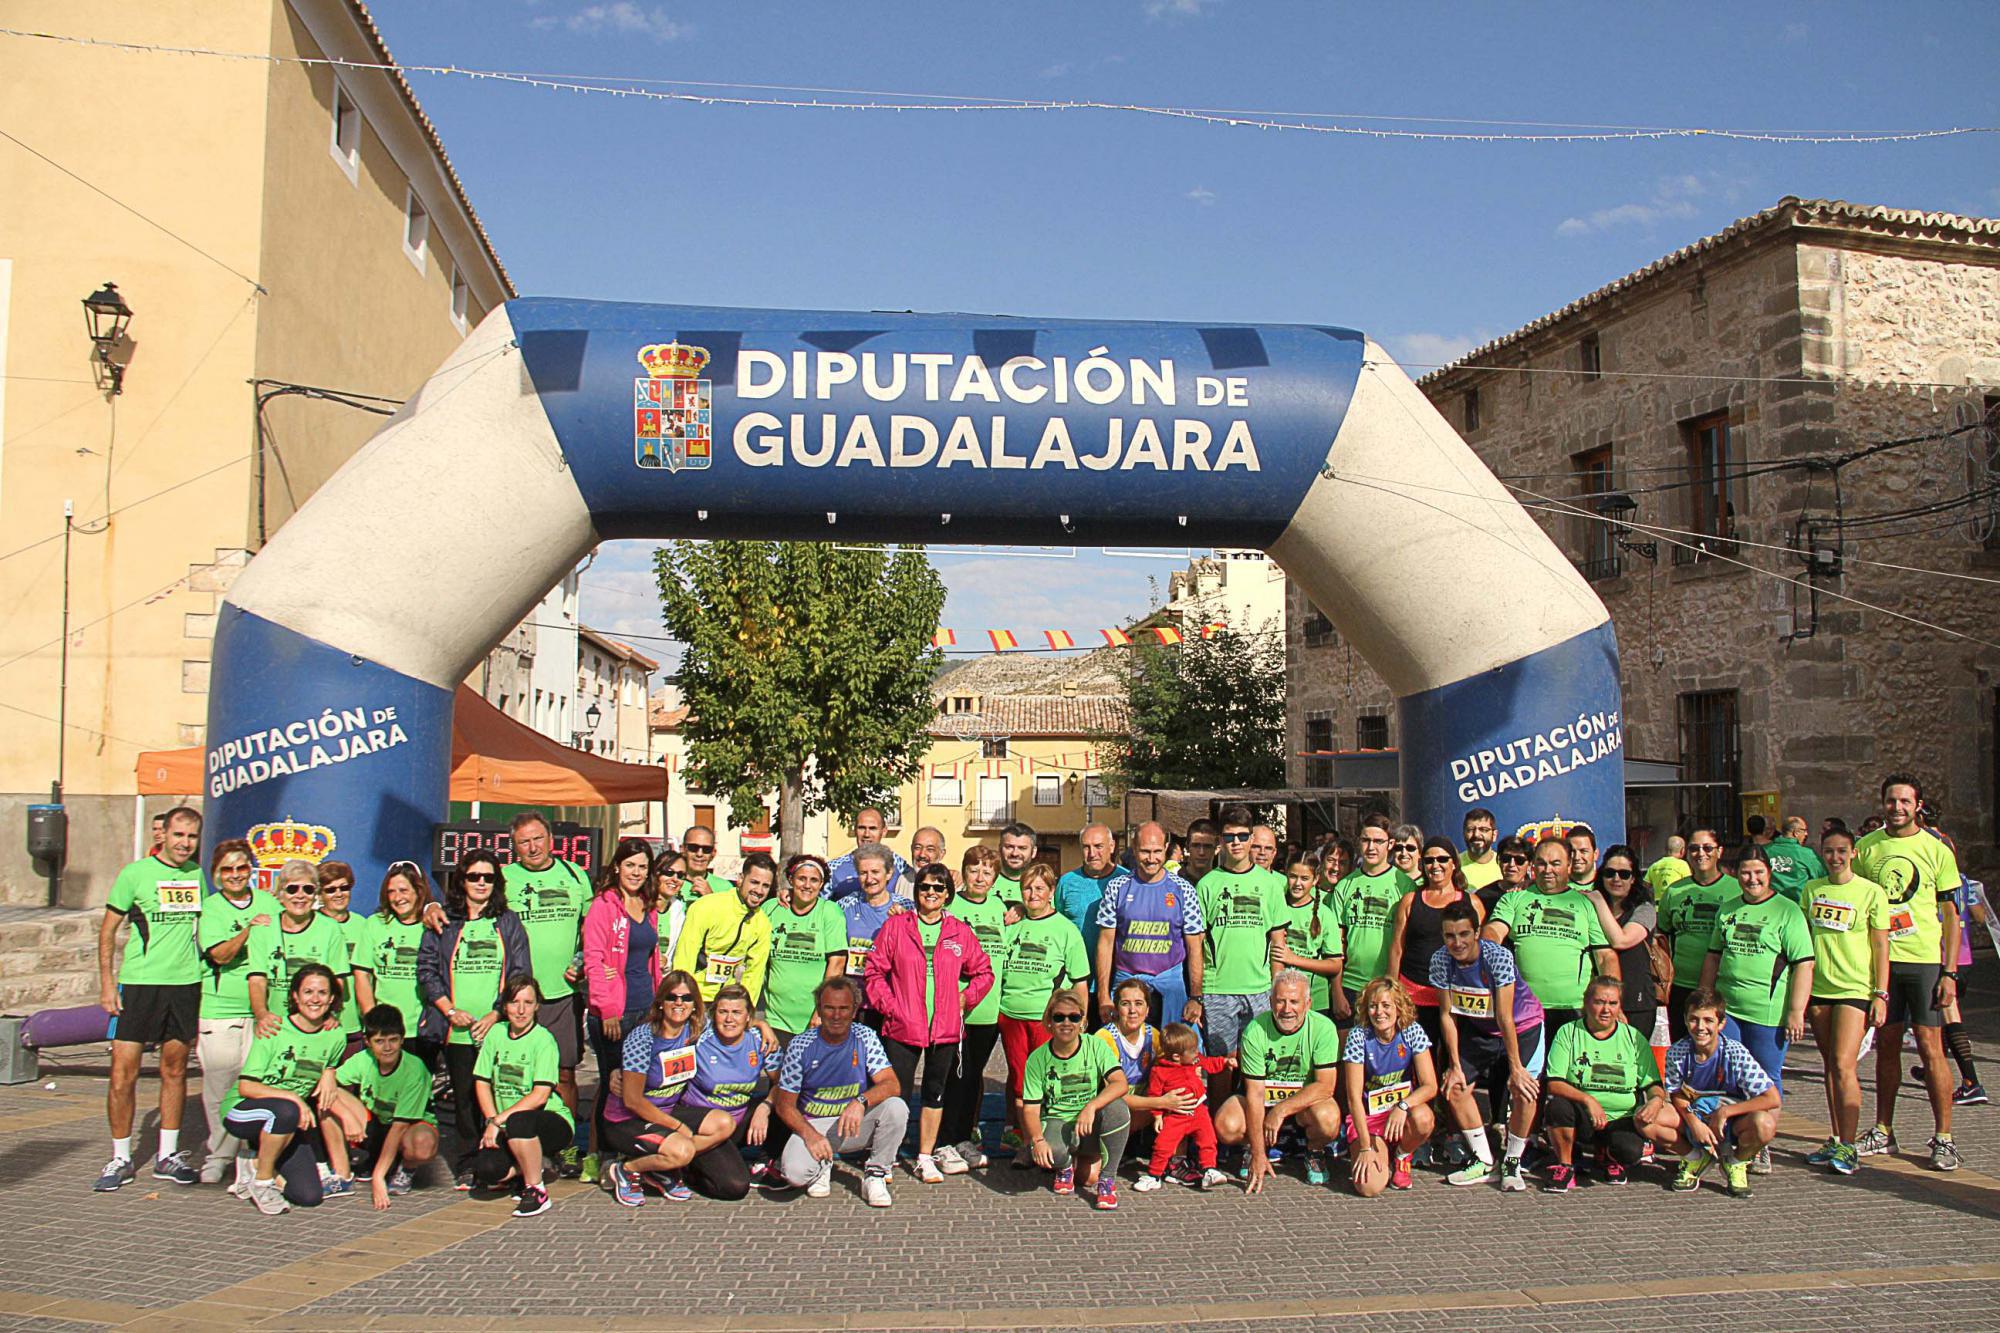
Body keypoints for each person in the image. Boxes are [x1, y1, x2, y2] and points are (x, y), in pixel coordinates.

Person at [1854, 772, 1964, 1170]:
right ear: (1882, 802)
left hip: (1923, 961)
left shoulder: (1936, 849)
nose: (1897, 807)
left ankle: (1944, 1138)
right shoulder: (1866, 848)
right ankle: (1883, 1130)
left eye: (1904, 801)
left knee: (1931, 1048)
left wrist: (1949, 972)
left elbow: (1951, 915)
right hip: (1881, 962)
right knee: (1886, 1046)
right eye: (1891, 800)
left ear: (1918, 805)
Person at [96, 804, 206, 1191]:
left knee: (175, 1070)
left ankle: (168, 1155)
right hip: (139, 985)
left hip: (184, 984)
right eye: (179, 835)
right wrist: (107, 983)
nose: (185, 843)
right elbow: (108, 931)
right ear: (163, 835)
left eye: (192, 837)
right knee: (122, 1074)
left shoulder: (196, 875)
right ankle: (120, 1157)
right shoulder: (135, 874)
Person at [865, 863, 994, 1184]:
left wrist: (966, 998)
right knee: (896, 1093)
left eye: (939, 887)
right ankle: (887, 1155)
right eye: (925, 887)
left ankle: (925, 1156)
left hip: (944, 1027)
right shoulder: (897, 926)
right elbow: (874, 970)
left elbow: (984, 972)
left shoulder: (959, 931)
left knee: (935, 1093)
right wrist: (890, 1006)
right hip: (903, 1025)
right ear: (917, 891)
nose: (931, 893)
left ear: (948, 893)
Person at [416, 852, 533, 1185]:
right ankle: (467, 1161)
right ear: (462, 880)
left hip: (496, 1026)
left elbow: (520, 972)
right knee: (465, 1099)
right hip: (457, 1030)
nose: (481, 883)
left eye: (488, 877)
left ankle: (501, 1157)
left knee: (500, 1093)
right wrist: (450, 1010)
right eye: (473, 877)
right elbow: (426, 969)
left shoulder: (508, 921)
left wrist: (497, 1013)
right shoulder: (444, 919)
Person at [1699, 844, 1813, 1177]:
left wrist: (1796, 1011)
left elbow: (1804, 964)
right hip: (1730, 1009)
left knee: (1765, 1078)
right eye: (1746, 873)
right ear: (1737, 874)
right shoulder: (1729, 909)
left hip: (1768, 1013)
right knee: (1729, 1075)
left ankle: (1761, 1144)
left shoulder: (1787, 911)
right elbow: (1714, 956)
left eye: (1759, 873)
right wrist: (1704, 999)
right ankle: (1732, 1137)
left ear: (1769, 874)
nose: (1752, 879)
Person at [500, 810, 593, 1172]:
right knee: (518, 1075)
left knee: (565, 1073)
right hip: (517, 998)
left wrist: (582, 960)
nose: (533, 847)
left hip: (562, 994)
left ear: (551, 840)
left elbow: (591, 928)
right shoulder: (504, 879)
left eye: (538, 838)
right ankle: (518, 1143)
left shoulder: (574, 875)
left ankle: (565, 1145)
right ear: (515, 847)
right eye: (524, 842)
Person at [1430, 900, 1545, 1190]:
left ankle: (1512, 1161)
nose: (1457, 943)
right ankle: (1483, 1160)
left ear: (1477, 933)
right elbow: (1447, 1015)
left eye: (1464, 934)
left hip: (1522, 1026)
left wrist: (1516, 1068)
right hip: (1480, 1029)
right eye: (1450, 936)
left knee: (1524, 1090)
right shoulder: (1440, 960)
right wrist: (1454, 1065)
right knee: (1455, 1087)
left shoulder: (1498, 957)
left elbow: (1505, 1017)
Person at [222, 963, 352, 1214]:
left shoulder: (336, 1035)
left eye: (322, 993)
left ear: (331, 998)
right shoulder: (274, 1029)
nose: (315, 999)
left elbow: (329, 1063)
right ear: (295, 996)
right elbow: (246, 1086)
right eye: (308, 992)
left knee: (308, 1196)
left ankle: (254, 1164)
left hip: (288, 1121)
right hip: (243, 1111)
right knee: (286, 1110)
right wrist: (294, 1098)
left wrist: (329, 1071)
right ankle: (262, 1183)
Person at [771, 977, 907, 1207]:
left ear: (854, 1011)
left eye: (843, 1008)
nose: (836, 1015)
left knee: (896, 1107)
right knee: (794, 1174)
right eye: (829, 1008)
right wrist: (810, 1135)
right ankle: (822, 1164)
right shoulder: (800, 1045)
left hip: (852, 1123)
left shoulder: (864, 1036)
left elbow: (891, 1084)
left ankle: (876, 1174)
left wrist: (860, 1101)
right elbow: (784, 1105)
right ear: (819, 1009)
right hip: (815, 1125)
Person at [1800, 824, 1890, 1175]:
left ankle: (1850, 1146)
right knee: (1829, 1065)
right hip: (1820, 988)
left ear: (1853, 853)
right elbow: (1805, 938)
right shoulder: (1812, 889)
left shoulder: (1870, 892)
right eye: (1828, 851)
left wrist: (1880, 992)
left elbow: (1881, 945)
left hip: (1855, 988)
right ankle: (1837, 1137)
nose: (1835, 857)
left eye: (1841, 851)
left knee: (1843, 1063)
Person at [194, 838, 280, 1185]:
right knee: (220, 1088)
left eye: (241, 867)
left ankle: (248, 1155)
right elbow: (220, 955)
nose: (235, 874)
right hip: (221, 1009)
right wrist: (249, 930)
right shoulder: (212, 908)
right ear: (216, 873)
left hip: (264, 1010)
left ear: (251, 870)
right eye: (227, 869)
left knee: (255, 1085)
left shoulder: (269, 901)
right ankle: (219, 1155)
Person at [1541, 977, 1677, 1193]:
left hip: (1621, 1116)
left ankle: (1608, 1156)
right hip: (1584, 1115)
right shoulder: (1569, 1032)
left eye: (1613, 1003)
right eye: (1599, 1002)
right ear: (1587, 1002)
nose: (1606, 1010)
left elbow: (1653, 1084)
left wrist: (1655, 1100)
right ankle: (1565, 1165)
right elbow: (1554, 1083)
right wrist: (1588, 1099)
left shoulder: (1633, 1037)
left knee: (1630, 1151)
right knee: (1557, 1107)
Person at [1215, 970, 1343, 1190]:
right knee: (1226, 1124)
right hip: (1262, 1102)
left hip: (1303, 1105)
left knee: (1329, 1119)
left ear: (1308, 1004)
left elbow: (1325, 1086)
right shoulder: (1255, 1030)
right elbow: (1255, 1093)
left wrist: (1281, 1110)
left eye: (1294, 1002)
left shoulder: (1324, 1028)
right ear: (1270, 1001)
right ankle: (1252, 1148)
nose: (1286, 1009)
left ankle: (1314, 1151)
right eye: (1281, 1001)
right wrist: (1258, 1153)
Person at [581, 837, 663, 1179]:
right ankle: (600, 1154)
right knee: (612, 1083)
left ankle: (630, 1150)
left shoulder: (648, 904)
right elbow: (593, 959)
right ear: (617, 866)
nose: (636, 872)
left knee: (637, 1083)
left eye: (643, 866)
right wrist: (606, 1008)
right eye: (630, 865)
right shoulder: (603, 905)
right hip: (615, 1012)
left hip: (645, 1009)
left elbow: (650, 959)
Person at [996, 863, 1091, 1154]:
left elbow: (1080, 982)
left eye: (1039, 888)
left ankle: (1054, 1142)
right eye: (1027, 888)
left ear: (1051, 891)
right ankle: (1027, 1144)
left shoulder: (1066, 930)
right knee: (1019, 1081)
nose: (1033, 894)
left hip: (1046, 1019)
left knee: (1049, 1081)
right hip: (1010, 1014)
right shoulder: (1011, 924)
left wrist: (1080, 1020)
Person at [1483, 835, 1617, 1033]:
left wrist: (1613, 1003)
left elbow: (1605, 956)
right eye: (1541, 863)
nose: (1547, 870)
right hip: (1525, 1008)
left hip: (1575, 1008)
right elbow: (1494, 930)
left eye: (1555, 863)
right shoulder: (1513, 899)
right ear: (1533, 866)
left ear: (1569, 866)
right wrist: (1489, 947)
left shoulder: (1585, 904)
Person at [600, 969, 709, 1204]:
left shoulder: (696, 1029)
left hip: (665, 1111)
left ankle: (662, 1167)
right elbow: (632, 1101)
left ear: (695, 1004)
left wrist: (761, 1025)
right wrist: (678, 1127)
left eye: (686, 998)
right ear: (660, 1002)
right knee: (683, 1150)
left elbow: (733, 1019)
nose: (679, 1003)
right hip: (627, 1119)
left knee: (722, 1123)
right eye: (672, 997)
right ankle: (627, 1169)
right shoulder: (643, 1037)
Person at [467, 976, 572, 1217]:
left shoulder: (544, 1040)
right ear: (505, 1006)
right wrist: (491, 1120)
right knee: (487, 1170)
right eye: (515, 1002)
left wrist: (498, 1120)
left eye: (528, 1002)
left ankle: (536, 1190)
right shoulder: (496, 1033)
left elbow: (540, 1096)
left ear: (537, 1006)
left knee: (519, 1121)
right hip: (507, 1123)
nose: (521, 1010)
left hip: (549, 1120)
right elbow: (482, 1082)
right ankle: (532, 1167)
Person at [1191, 804, 1287, 1060]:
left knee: (1256, 1062)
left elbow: (1278, 944)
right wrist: (1197, 995)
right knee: (1220, 1064)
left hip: (1259, 990)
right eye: (1230, 836)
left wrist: (1276, 989)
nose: (1236, 842)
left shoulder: (1271, 885)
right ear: (1220, 840)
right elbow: (1196, 945)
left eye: (1242, 836)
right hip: (1218, 990)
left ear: (1251, 839)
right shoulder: (1207, 885)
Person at [1665, 988, 1781, 1198]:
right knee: (1651, 1118)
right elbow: (1675, 1093)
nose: (1700, 1027)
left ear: (1721, 1024)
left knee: (1765, 1124)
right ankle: (1695, 1158)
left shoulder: (1735, 1052)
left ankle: (1736, 1162)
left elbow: (1772, 1098)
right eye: (1694, 1019)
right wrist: (1694, 1122)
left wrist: (1725, 1112)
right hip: (1697, 1115)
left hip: (1732, 1121)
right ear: (1685, 1020)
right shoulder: (1677, 1051)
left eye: (1708, 1020)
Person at [1020, 991, 1130, 1209]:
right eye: (1059, 1017)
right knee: (1047, 1151)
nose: (1066, 1023)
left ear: (1082, 1021)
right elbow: (1030, 1110)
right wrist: (1037, 1140)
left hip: (1088, 1124)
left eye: (1074, 1017)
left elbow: (1120, 1083)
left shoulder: (1095, 1045)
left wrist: (1091, 1107)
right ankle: (1065, 1165)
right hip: (1057, 1122)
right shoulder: (1037, 1059)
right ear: (1049, 1022)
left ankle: (1107, 1180)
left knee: (1118, 1109)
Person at [1094, 821, 1206, 1029]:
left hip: (1170, 985)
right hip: (1127, 984)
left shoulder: (1184, 889)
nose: (1151, 858)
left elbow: (1194, 946)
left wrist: (1196, 997)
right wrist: (1103, 996)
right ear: (1134, 849)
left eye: (1157, 851)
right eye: (1145, 851)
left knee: (1176, 1045)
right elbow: (1105, 943)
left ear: (1166, 848)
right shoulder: (1117, 887)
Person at [330, 1003, 441, 1209]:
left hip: (408, 1127)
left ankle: (406, 1168)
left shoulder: (414, 1068)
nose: (387, 1048)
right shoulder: (363, 1059)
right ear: (368, 1042)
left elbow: (400, 1126)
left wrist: (377, 1178)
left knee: (423, 1143)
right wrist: (345, 1115)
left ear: (402, 1038)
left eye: (393, 1040)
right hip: (377, 1123)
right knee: (329, 1095)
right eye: (379, 1041)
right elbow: (327, 1084)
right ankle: (341, 1173)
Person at [938, 845, 1007, 1173]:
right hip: (955, 1008)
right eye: (974, 870)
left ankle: (963, 1137)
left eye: (987, 872)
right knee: (952, 1077)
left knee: (971, 1078)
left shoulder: (1000, 908)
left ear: (995, 878)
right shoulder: (950, 905)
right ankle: (943, 1141)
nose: (980, 877)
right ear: (963, 872)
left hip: (988, 1010)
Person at [675, 983, 775, 1201]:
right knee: (736, 1187)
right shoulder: (699, 1035)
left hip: (737, 1120)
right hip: (701, 1125)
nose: (729, 1019)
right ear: (714, 1015)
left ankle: (766, 1162)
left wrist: (765, 1109)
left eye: (736, 1012)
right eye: (723, 1012)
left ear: (748, 1017)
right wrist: (621, 1071)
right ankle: (683, 1168)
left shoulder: (760, 1039)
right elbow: (662, 1031)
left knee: (785, 1106)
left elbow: (784, 1084)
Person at [1341, 978, 1439, 1196]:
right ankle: (1379, 1152)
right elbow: (1353, 1099)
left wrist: (1403, 1106)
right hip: (1370, 1119)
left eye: (1386, 1005)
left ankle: (1402, 1155)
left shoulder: (1412, 1031)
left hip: (1401, 1115)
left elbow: (1430, 1086)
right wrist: (1365, 1147)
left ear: (1398, 1007)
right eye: (1373, 1006)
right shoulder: (1358, 1036)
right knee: (1369, 1188)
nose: (1379, 1012)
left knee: (1424, 1118)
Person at [248, 860, 352, 1052]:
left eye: (308, 889)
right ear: (280, 894)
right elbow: (257, 980)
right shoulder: (262, 929)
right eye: (292, 889)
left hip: (317, 1027)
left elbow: (337, 980)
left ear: (316, 895)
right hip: (276, 1028)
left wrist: (329, 1013)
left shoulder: (330, 929)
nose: (300, 895)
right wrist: (262, 1014)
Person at [1385, 837, 1476, 1050]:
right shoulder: (1410, 901)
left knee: (1453, 1059)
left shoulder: (1472, 902)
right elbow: (1397, 948)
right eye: (1429, 860)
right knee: (1416, 1058)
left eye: (1442, 859)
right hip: (1413, 994)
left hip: (1455, 997)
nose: (1435, 865)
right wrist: (1391, 989)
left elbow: (1479, 952)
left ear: (1454, 863)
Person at [1329, 815, 1415, 1022]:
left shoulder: (1404, 885)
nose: (1371, 847)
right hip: (1350, 986)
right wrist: (1336, 990)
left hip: (1388, 986)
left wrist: (1394, 987)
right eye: (1366, 840)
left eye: (1378, 841)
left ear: (1390, 844)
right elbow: (1335, 945)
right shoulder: (1345, 885)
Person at [351, 862, 437, 1065]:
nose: (398, 898)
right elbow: (362, 975)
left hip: (421, 1030)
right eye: (391, 892)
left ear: (418, 891)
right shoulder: (375, 923)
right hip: (384, 1031)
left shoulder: (432, 925)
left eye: (403, 890)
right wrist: (373, 1021)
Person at [1658, 829, 1740, 1041]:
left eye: (1707, 848)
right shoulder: (1674, 892)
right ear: (1686, 853)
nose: (1701, 853)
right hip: (1681, 985)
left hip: (1723, 986)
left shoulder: (1737, 889)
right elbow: (1662, 938)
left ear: (1719, 851)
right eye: (1694, 848)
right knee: (1683, 1048)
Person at [1130, 1020, 1229, 1191]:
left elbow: (1210, 1064)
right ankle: (1154, 1175)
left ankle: (1209, 1169)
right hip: (1176, 1116)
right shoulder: (1160, 1071)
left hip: (1198, 1111)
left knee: (1208, 1140)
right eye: (1192, 1050)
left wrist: (1226, 1062)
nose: (1197, 1053)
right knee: (1163, 1145)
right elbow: (1155, 1094)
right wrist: (1158, 1116)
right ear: (1176, 1056)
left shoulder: (1194, 1059)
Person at [761, 854, 848, 1043]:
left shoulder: (830, 912)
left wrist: (821, 1010)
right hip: (776, 1018)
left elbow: (837, 965)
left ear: (821, 884)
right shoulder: (771, 908)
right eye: (801, 878)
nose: (807, 885)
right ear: (791, 879)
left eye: (814, 880)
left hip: (814, 1018)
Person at [672, 849, 776, 1003]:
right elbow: (685, 957)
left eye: (765, 886)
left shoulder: (762, 923)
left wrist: (748, 1008)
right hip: (697, 998)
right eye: (754, 882)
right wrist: (683, 998)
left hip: (729, 1003)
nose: (759, 891)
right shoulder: (706, 906)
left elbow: (754, 974)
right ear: (741, 879)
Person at [1582, 844, 1660, 1047]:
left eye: (1624, 874)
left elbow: (1621, 940)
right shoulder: (1588, 907)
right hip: (1599, 1000)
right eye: (1610, 873)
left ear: (1633, 878)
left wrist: (1598, 901)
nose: (1616, 879)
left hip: (1637, 1000)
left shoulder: (1644, 910)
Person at [1273, 852, 1345, 1020]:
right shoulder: (1277, 905)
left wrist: (1294, 959)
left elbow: (1335, 964)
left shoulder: (1324, 914)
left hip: (1315, 1001)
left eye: (1304, 878)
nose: (1298, 883)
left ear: (1315, 879)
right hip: (1281, 1000)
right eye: (1293, 877)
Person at [1056, 823, 1120, 982]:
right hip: (1074, 978)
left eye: (1098, 846)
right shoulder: (1067, 882)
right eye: (1086, 847)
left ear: (1111, 846)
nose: (1092, 854)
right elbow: (1055, 924)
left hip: (1116, 979)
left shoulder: (1125, 881)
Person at [316, 861, 369, 1049]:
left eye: (344, 888)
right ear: (320, 894)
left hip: (355, 1023)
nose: (338, 894)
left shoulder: (363, 925)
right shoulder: (311, 924)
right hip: (320, 1023)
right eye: (330, 890)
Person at [838, 843, 903, 989]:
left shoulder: (905, 907)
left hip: (887, 993)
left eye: (875, 872)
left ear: (889, 873)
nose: (869, 879)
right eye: (863, 873)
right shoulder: (844, 905)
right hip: (853, 992)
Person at [826, 808, 910, 902]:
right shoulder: (832, 869)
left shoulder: (899, 864)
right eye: (862, 828)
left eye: (872, 828)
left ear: (884, 831)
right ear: (855, 830)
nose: (866, 834)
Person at [1764, 819, 1827, 904]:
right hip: (1798, 906)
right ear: (1796, 833)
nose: (1806, 834)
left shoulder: (1764, 851)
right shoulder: (1806, 854)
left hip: (1769, 904)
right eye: (1804, 830)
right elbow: (1822, 878)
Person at [653, 850, 692, 964]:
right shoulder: (639, 904)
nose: (675, 879)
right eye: (669, 872)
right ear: (656, 872)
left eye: (680, 875)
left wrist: (666, 963)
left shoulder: (678, 910)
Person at [1481, 834, 1534, 918]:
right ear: (1498, 861)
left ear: (1530, 864)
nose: (1511, 864)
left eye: (1519, 860)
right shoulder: (1483, 896)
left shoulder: (1538, 892)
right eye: (1506, 859)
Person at [679, 823, 735, 897]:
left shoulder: (725, 888)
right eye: (693, 847)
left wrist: (710, 897)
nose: (699, 854)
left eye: (706, 849)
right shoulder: (671, 883)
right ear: (682, 849)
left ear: (713, 853)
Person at [994, 822, 1040, 904]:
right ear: (999, 849)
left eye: (1022, 848)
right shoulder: (982, 882)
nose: (1015, 853)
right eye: (1009, 847)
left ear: (1033, 852)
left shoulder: (1042, 886)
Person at [1459, 808, 1501, 892]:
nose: (1476, 834)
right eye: (1470, 829)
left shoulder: (1505, 865)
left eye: (1483, 830)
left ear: (1494, 835)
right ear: (1464, 834)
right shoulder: (1453, 865)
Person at [1180, 818, 1221, 885]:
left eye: (1207, 846)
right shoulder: (1173, 883)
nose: (1201, 852)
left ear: (1217, 849)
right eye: (1195, 846)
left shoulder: (1222, 884)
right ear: (1187, 847)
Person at [1565, 823, 1600, 891]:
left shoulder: (1607, 887)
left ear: (1595, 854)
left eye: (1583, 851)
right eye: (1572, 851)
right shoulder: (1556, 887)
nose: (1577, 857)